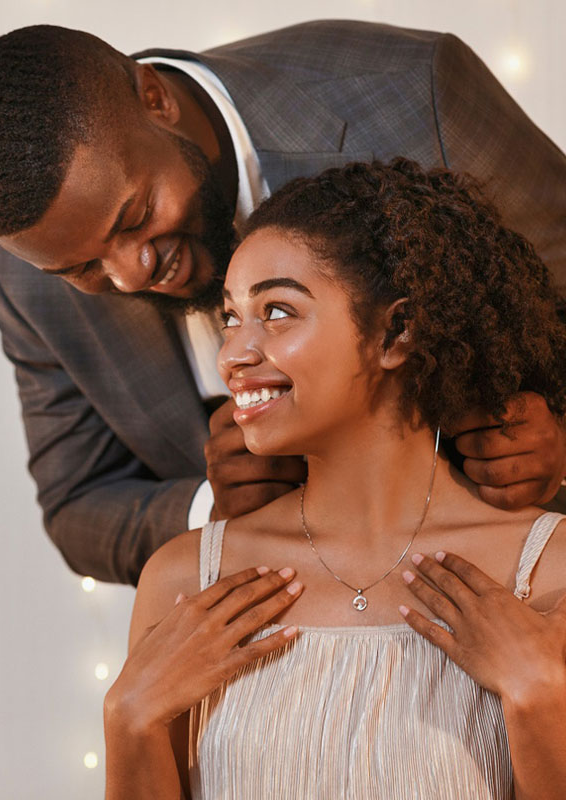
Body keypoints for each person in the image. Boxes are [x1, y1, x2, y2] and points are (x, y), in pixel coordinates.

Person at [0, 22, 565, 585]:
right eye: (83, 268)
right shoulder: (27, 260)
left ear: (156, 99)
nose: (130, 275)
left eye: (137, 217)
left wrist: (560, 436)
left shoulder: (411, 98)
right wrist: (216, 508)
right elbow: (79, 506)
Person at [104, 159, 566, 799]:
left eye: (277, 310)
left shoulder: (547, 572)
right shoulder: (188, 582)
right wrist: (130, 720)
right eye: (232, 316)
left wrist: (541, 693)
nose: (234, 354)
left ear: (395, 332)